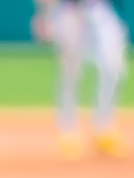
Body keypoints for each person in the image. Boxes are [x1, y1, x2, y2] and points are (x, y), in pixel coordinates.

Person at [37, 0, 129, 156]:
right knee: (70, 71)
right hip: (69, 10)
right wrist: (45, 16)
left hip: (101, 9)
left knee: (113, 67)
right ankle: (68, 131)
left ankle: (103, 129)